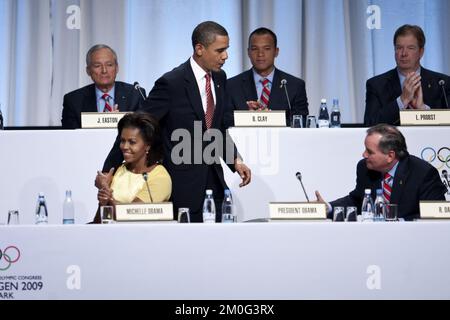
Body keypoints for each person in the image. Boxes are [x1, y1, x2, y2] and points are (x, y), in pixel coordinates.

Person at [101, 21, 251, 222]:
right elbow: (135, 125)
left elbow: (217, 128)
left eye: (226, 50)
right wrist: (107, 170)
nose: (225, 56)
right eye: (220, 50)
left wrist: (235, 160)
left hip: (214, 183)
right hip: (183, 185)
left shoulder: (220, 78)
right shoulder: (172, 83)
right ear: (199, 49)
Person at [315, 124, 447, 221]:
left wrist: (398, 222)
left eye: (370, 152)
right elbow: (357, 200)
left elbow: (434, 215)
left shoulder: (423, 174)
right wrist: (328, 207)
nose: (364, 155)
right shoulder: (365, 168)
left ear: (390, 155)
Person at [364, 24, 450, 126]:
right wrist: (402, 100)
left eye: (410, 48)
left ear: (421, 52)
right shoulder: (376, 85)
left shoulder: (442, 83)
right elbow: (370, 125)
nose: (404, 53)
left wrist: (423, 110)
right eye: (399, 48)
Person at [93, 112, 171, 223]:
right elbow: (98, 221)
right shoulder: (118, 171)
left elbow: (133, 215)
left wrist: (108, 196)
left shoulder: (160, 177)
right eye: (122, 141)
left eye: (132, 142)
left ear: (148, 145)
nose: (125, 147)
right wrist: (103, 199)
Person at [227, 27, 308, 127]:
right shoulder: (231, 85)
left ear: (276, 51)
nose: (260, 54)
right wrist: (249, 118)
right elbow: (225, 121)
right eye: (254, 49)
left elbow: (301, 122)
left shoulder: (294, 86)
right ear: (248, 52)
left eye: (267, 49)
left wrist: (268, 119)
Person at [62, 44, 146, 129]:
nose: (104, 70)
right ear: (88, 70)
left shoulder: (135, 95)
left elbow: (144, 132)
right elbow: (69, 138)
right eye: (97, 66)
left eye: (109, 65)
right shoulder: (74, 100)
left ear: (117, 68)